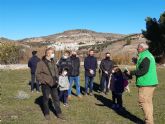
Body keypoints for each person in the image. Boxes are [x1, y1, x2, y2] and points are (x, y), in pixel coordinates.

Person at [127, 43, 158, 124]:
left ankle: (149, 122)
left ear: (141, 48)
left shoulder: (145, 56)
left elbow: (143, 70)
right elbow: (143, 66)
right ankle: (149, 121)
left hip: (146, 83)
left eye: (138, 48)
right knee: (148, 102)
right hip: (150, 82)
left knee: (143, 102)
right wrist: (136, 62)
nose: (137, 49)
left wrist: (131, 72)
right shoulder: (147, 55)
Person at [36, 47, 65, 120]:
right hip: (46, 84)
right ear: (48, 54)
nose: (53, 54)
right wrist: (43, 81)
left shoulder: (53, 62)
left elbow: (56, 71)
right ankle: (46, 113)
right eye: (52, 53)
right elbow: (37, 74)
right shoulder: (40, 63)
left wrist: (57, 79)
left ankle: (59, 113)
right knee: (45, 99)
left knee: (56, 99)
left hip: (54, 84)